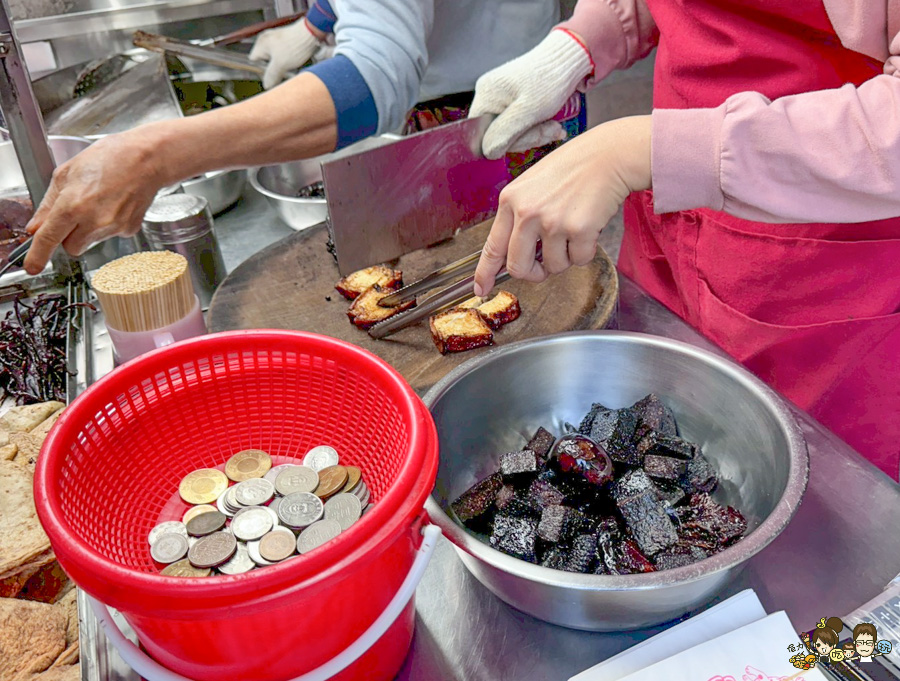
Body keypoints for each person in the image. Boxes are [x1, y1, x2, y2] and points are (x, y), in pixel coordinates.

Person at [469, 0, 900, 480]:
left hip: (817, 270)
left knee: (801, 486)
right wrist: (581, 44)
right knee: (640, 446)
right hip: (665, 228)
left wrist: (644, 152)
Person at [22, 0, 559, 274]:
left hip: (503, 112)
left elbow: (376, 82)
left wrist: (153, 156)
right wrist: (316, 23)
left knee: (518, 278)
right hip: (464, 80)